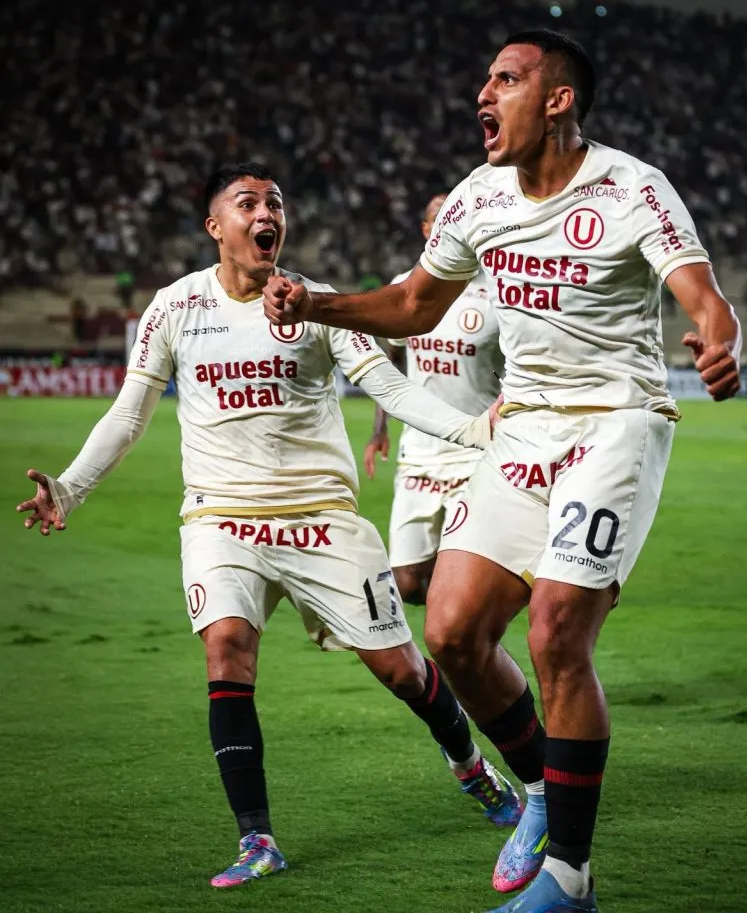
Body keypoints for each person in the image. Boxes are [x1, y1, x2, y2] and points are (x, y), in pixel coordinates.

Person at [262, 31, 742, 912]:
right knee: (449, 630)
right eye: (484, 79)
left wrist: (718, 342)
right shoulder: (477, 198)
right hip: (520, 433)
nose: (483, 93)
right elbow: (413, 304)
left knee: (556, 632)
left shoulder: (632, 186)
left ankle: (569, 874)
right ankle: (537, 788)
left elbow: (704, 299)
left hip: (616, 425)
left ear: (557, 99)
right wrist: (318, 301)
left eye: (505, 79)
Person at [16, 162, 523, 891]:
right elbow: (130, 414)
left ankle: (472, 769)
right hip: (221, 517)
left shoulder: (312, 304)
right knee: (226, 651)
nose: (266, 213)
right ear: (214, 226)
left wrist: (476, 433)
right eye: (247, 202)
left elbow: (387, 385)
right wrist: (69, 488)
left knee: (402, 671)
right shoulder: (174, 307)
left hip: (320, 517)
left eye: (275, 203)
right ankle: (257, 838)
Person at [363, 193, 504, 604]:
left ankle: (462, 643)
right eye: (439, 220)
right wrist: (379, 429)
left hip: (478, 450)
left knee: (461, 586)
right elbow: (389, 361)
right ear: (427, 230)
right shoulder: (404, 289)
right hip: (419, 451)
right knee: (407, 583)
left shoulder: (498, 294)